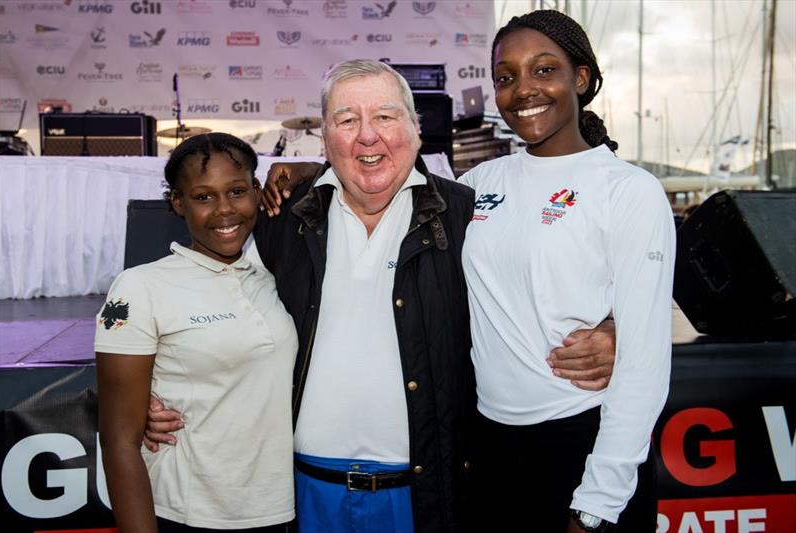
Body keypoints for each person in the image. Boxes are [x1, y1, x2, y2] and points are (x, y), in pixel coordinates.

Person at [145, 60, 619, 533]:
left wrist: (616, 324)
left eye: (386, 117)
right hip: (301, 495)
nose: (367, 136)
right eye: (347, 120)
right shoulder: (281, 216)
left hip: (426, 496)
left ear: (416, 129)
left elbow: (554, 276)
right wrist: (151, 388)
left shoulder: (469, 216)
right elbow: (214, 301)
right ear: (326, 138)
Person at [462, 11, 674, 533]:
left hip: (581, 445)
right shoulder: (477, 181)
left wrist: (597, 503)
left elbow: (644, 362)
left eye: (543, 70)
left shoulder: (627, 189)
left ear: (579, 78)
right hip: (490, 448)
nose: (523, 90)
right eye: (506, 77)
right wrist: (309, 172)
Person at [96, 133, 298, 533]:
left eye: (237, 191)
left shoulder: (273, 276)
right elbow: (119, 441)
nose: (225, 210)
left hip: (280, 512)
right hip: (185, 515)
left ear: (258, 193)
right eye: (204, 197)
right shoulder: (138, 287)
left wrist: (307, 169)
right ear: (177, 202)